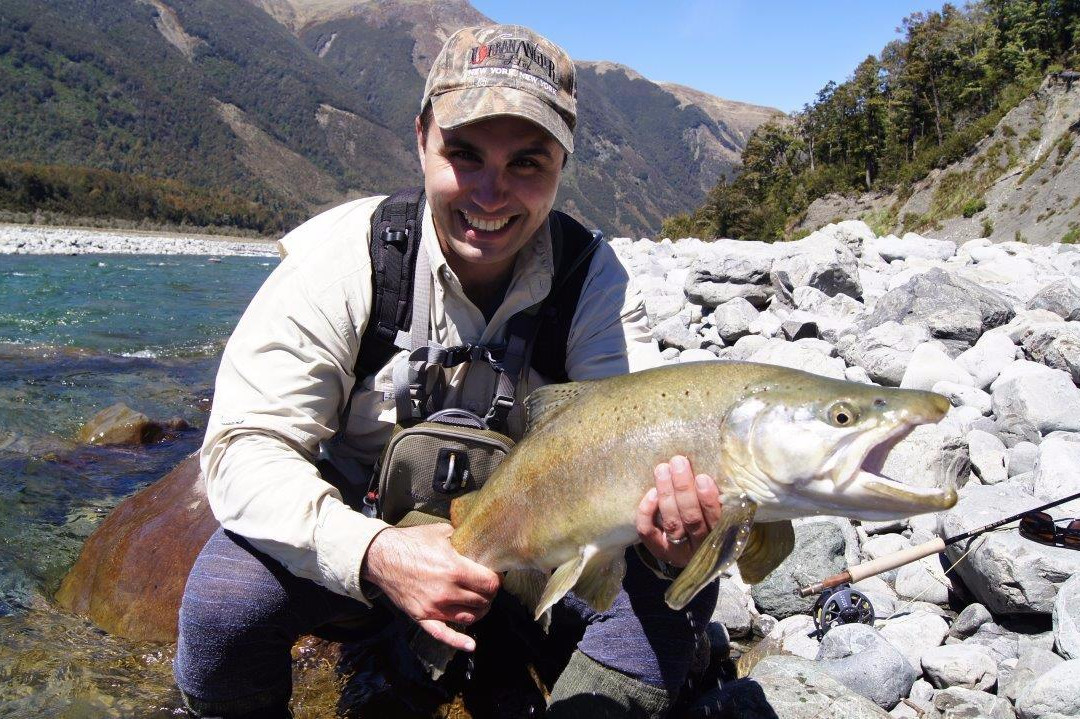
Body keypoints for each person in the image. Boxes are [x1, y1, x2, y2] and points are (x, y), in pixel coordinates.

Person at [174, 24, 724, 718]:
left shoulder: (593, 286)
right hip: (366, 539)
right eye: (464, 155)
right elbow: (241, 449)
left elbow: (647, 440)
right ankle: (390, 646)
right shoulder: (345, 261)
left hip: (531, 550)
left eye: (528, 163)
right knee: (225, 602)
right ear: (421, 139)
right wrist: (375, 553)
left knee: (680, 579)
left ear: (563, 160)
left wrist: (676, 526)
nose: (491, 195)